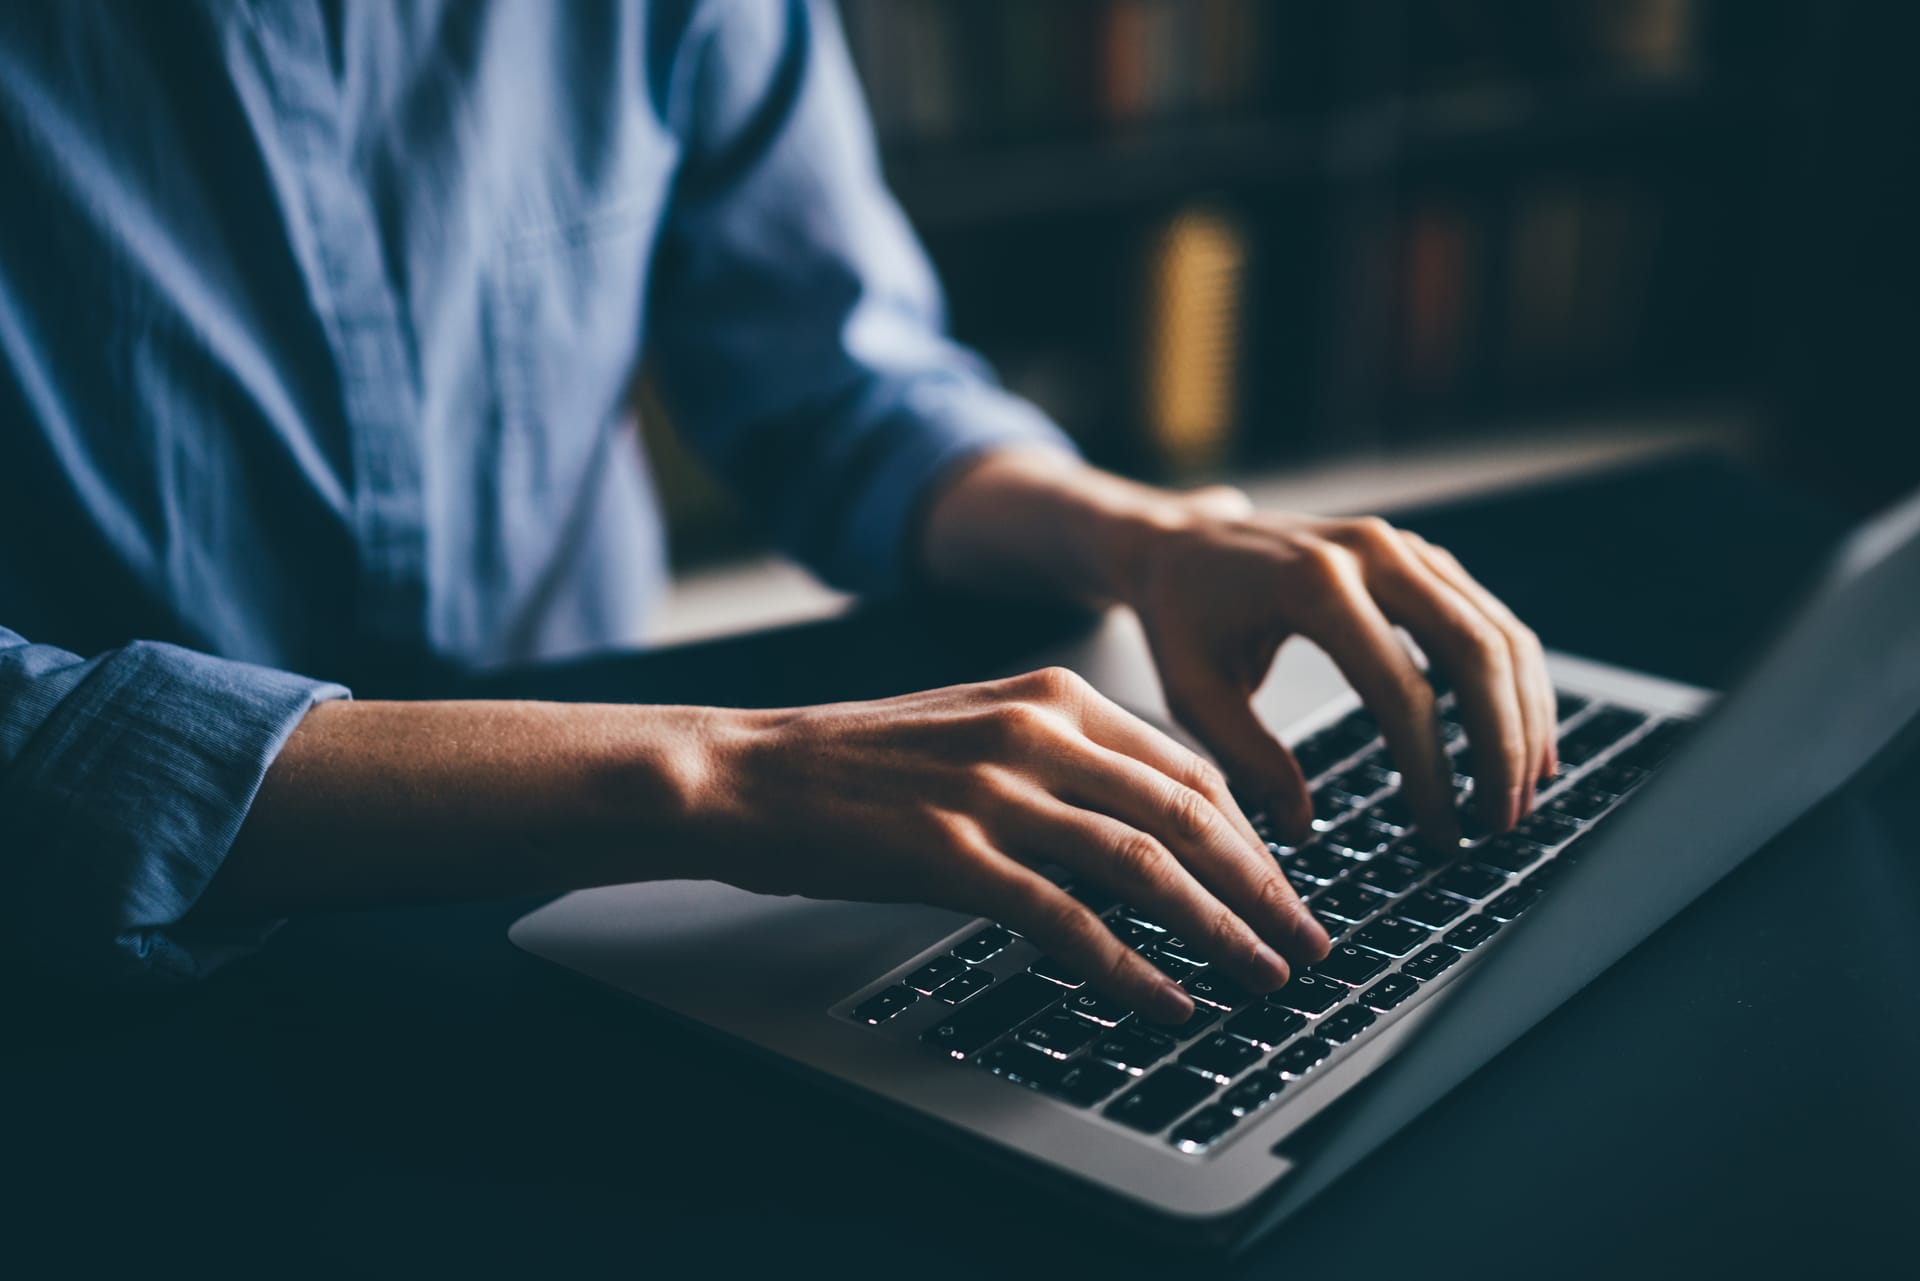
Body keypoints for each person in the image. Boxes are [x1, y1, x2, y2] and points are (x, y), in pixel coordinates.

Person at [0, 1, 1555, 1021]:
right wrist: (722, 770)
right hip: (98, 978)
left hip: (582, 917)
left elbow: (835, 384)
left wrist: (1139, 536)